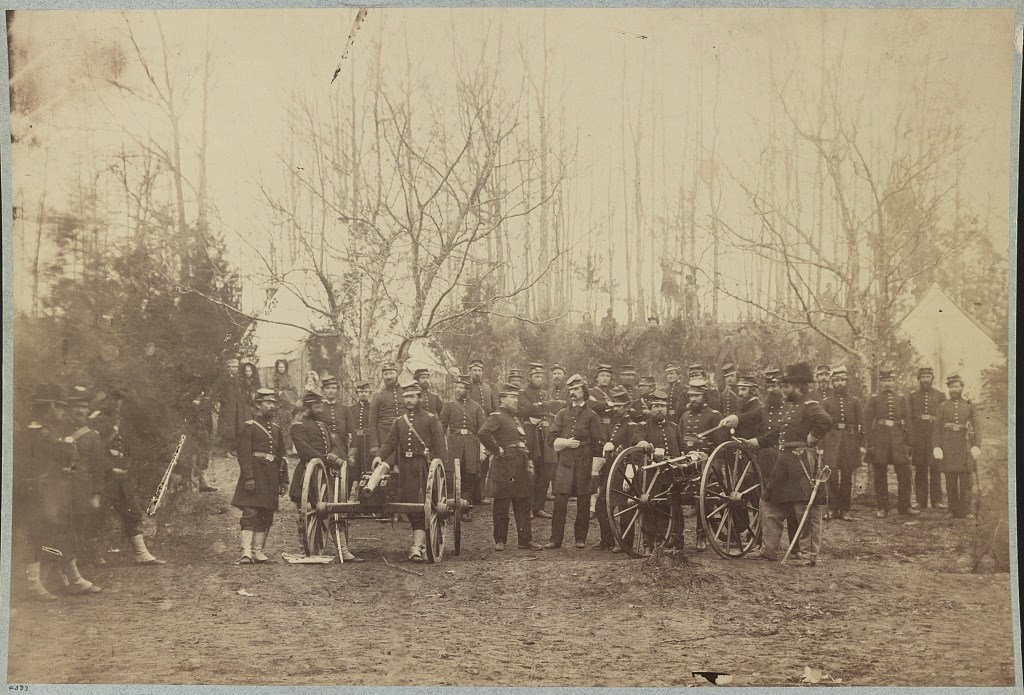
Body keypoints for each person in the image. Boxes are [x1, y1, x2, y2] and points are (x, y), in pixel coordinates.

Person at [743, 362, 832, 566]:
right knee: (768, 502)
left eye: (787, 386)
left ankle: (809, 555)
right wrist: (756, 442)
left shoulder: (810, 406)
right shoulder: (791, 407)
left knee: (803, 507)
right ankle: (769, 550)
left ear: (799, 386)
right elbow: (778, 433)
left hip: (800, 462)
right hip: (784, 461)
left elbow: (826, 421)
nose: (783, 390)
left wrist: (813, 437)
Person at [87, 389, 165, 565]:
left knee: (132, 512)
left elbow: (127, 446)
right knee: (96, 516)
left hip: (120, 477)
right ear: (105, 400)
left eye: (120, 401)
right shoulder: (97, 420)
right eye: (114, 400)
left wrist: (126, 465)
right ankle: (92, 555)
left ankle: (141, 553)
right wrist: (110, 468)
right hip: (103, 477)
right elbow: (93, 451)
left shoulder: (121, 420)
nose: (117, 404)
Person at [372, 382, 448, 561]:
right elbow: (390, 443)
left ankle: (418, 545)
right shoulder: (399, 421)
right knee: (409, 503)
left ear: (420, 398)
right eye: (406, 397)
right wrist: (379, 456)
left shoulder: (431, 419)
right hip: (405, 467)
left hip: (424, 467)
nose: (409, 400)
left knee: (423, 505)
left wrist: (440, 471)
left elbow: (440, 448)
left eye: (412, 396)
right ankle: (418, 542)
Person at [289, 390, 357, 560]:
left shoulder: (323, 426)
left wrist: (334, 454)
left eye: (321, 405)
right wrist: (325, 459)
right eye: (317, 406)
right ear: (307, 407)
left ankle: (343, 550)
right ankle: (306, 549)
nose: (321, 409)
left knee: (334, 510)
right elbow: (305, 451)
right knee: (305, 515)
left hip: (326, 476)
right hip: (307, 475)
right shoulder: (297, 427)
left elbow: (334, 445)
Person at [478, 384, 544, 551]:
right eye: (512, 397)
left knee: (523, 502)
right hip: (505, 465)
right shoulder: (497, 416)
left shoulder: (515, 417)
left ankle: (525, 540)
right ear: (502, 399)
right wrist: (496, 449)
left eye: (516, 397)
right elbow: (483, 433)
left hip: (520, 464)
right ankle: (500, 540)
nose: (516, 400)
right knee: (502, 503)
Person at [14, 385, 65, 600]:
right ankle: (34, 585)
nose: (61, 411)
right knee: (32, 534)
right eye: (59, 406)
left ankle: (44, 580)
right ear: (51, 406)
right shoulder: (41, 433)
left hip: (39, 488)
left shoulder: (38, 430)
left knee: (41, 532)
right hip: (30, 489)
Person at [545, 374, 604, 549]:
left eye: (576, 389)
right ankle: (555, 539)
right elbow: (550, 438)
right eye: (570, 389)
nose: (573, 392)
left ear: (584, 391)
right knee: (560, 503)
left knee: (583, 502)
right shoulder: (562, 414)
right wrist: (565, 443)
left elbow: (598, 443)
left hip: (584, 463)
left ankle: (580, 538)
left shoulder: (592, 415)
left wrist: (595, 469)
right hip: (565, 463)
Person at [58, 387, 108, 592]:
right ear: (68, 409)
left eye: (84, 406)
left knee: (77, 530)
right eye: (76, 406)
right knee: (59, 529)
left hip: (80, 490)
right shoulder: (58, 431)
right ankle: (67, 576)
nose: (80, 410)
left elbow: (98, 468)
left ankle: (68, 574)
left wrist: (96, 493)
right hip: (58, 488)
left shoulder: (92, 436)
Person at [231, 389, 289, 564]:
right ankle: (246, 552)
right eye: (267, 403)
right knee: (250, 512)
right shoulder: (249, 426)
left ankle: (258, 551)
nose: (271, 406)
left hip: (271, 475)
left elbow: (282, 456)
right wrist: (248, 477)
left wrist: (283, 480)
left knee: (266, 513)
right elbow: (244, 454)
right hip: (255, 473)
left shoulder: (277, 429)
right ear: (257, 405)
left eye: (273, 403)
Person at [627, 389, 683, 549]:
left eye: (662, 406)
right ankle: (649, 542)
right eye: (656, 406)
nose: (660, 409)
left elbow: (683, 447)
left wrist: (691, 452)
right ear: (651, 408)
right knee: (649, 506)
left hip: (673, 475)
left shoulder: (673, 427)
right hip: (651, 477)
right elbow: (635, 438)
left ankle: (675, 539)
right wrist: (642, 443)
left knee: (674, 505)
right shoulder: (643, 426)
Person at [678, 378, 728, 551]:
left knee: (702, 492)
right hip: (687, 461)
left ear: (705, 397)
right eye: (691, 395)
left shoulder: (714, 415)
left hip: (708, 463)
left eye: (697, 396)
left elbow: (722, 447)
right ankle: (676, 536)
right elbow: (680, 440)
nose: (693, 399)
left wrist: (708, 457)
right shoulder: (685, 416)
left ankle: (701, 535)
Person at [865, 368, 917, 518]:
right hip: (880, 439)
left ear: (894, 382)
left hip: (898, 439)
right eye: (885, 380)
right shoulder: (874, 398)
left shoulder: (901, 398)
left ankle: (905, 507)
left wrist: (909, 443)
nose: (887, 383)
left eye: (890, 380)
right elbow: (867, 421)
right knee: (880, 475)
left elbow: (908, 420)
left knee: (905, 473)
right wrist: (870, 443)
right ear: (880, 382)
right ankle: (882, 508)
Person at [933, 374, 981, 520]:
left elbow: (977, 427)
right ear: (948, 388)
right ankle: (952, 509)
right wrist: (937, 446)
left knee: (965, 479)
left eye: (957, 386)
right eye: (951, 386)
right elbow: (937, 428)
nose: (954, 389)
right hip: (948, 445)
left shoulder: (970, 405)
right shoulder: (942, 406)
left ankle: (966, 510)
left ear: (962, 387)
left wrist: (976, 445)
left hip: (964, 444)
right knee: (950, 479)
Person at [821, 366, 865, 522]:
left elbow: (862, 424)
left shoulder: (855, 402)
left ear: (847, 382)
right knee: (831, 477)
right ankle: (833, 509)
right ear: (833, 383)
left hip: (850, 441)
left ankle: (845, 509)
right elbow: (821, 425)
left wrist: (861, 445)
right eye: (837, 380)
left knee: (847, 477)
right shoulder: (826, 402)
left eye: (842, 380)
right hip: (831, 442)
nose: (840, 383)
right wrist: (821, 447)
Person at [595, 386, 636, 551]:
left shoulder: (631, 425)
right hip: (610, 470)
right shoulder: (613, 423)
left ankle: (626, 542)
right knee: (601, 504)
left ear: (627, 407)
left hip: (624, 471)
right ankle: (607, 540)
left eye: (620, 406)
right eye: (615, 405)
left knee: (624, 507)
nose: (616, 408)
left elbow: (634, 451)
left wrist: (630, 472)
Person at [440, 375, 487, 520]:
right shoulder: (449, 405)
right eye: (457, 387)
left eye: (461, 388)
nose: (458, 390)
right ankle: (451, 508)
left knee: (470, 476)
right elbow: (442, 426)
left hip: (472, 444)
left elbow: (482, 429)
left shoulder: (476, 407)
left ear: (468, 389)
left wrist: (483, 449)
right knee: (451, 476)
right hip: (454, 443)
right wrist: (440, 446)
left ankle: (465, 509)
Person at [521, 364, 557, 519]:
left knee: (546, 470)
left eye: (541, 377)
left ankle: (539, 507)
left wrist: (543, 408)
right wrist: (543, 406)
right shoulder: (523, 393)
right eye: (536, 376)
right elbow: (525, 410)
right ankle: (527, 507)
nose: (539, 379)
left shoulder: (544, 393)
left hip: (545, 434)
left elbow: (552, 409)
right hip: (531, 435)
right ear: (529, 378)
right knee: (529, 472)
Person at [908, 366, 946, 511]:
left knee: (935, 468)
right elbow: (909, 418)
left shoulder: (940, 395)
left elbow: (943, 418)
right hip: (918, 437)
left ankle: (937, 501)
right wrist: (911, 439)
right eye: (922, 377)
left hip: (934, 436)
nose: (925, 379)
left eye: (928, 377)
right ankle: (921, 501)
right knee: (920, 469)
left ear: (932, 378)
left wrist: (941, 440)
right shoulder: (912, 396)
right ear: (919, 379)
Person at [369, 363, 403, 466]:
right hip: (385, 437)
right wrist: (374, 445)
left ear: (397, 374)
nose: (388, 377)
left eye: (391, 373)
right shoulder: (377, 395)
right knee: (386, 469)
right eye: (386, 374)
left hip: (403, 435)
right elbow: (372, 422)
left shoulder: (405, 392)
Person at [345, 381, 373, 502]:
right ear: (357, 393)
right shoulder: (351, 409)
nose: (363, 394)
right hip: (355, 443)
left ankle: (366, 500)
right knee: (352, 471)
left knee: (368, 470)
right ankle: (345, 498)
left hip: (369, 443)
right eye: (361, 392)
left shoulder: (373, 408)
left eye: (366, 392)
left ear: (370, 393)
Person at [214, 358, 243, 455]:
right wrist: (223, 401)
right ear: (228, 368)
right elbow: (215, 391)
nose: (235, 369)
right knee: (227, 428)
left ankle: (231, 449)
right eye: (233, 367)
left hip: (236, 407)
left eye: (236, 367)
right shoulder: (223, 379)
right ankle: (225, 450)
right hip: (227, 408)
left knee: (235, 427)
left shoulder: (236, 379)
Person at [271, 359, 298, 449]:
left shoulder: (289, 378)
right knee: (277, 425)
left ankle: (286, 446)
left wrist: (284, 393)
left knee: (287, 425)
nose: (281, 369)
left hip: (287, 405)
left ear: (285, 367)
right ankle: (277, 445)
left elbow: (294, 390)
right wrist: (277, 392)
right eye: (279, 367)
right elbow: (272, 388)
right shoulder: (274, 377)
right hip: (278, 404)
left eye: (282, 367)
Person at [238, 361, 262, 425]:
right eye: (246, 371)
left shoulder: (256, 381)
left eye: (250, 371)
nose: (248, 373)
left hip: (255, 404)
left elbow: (259, 392)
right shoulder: (241, 381)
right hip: (245, 404)